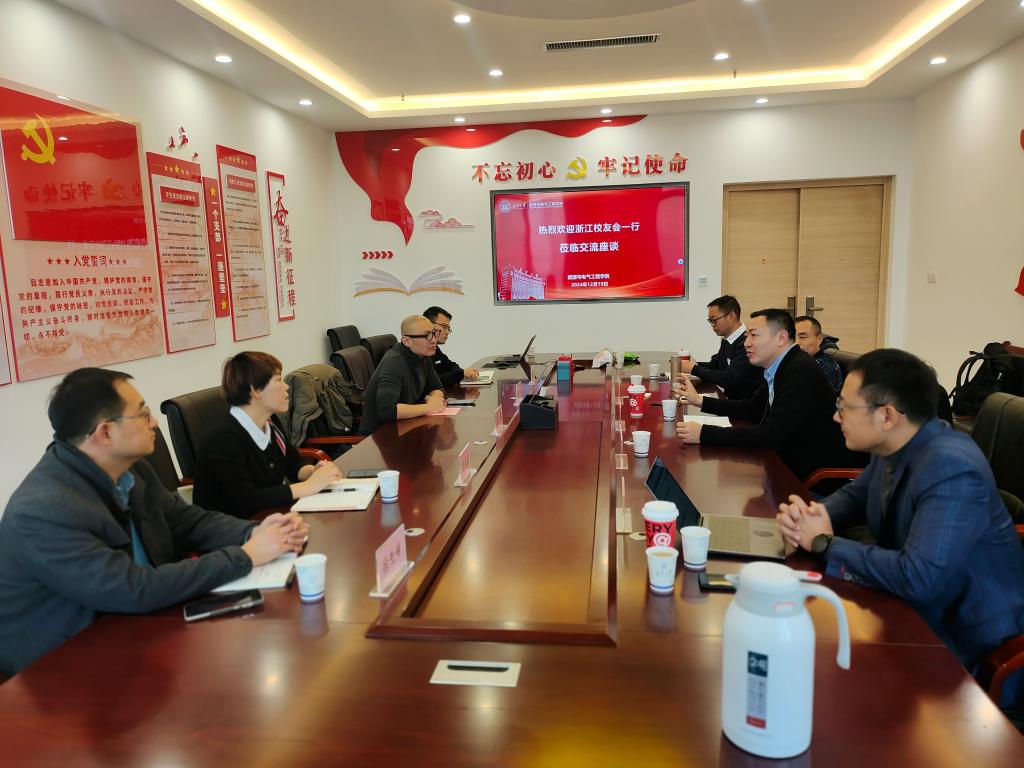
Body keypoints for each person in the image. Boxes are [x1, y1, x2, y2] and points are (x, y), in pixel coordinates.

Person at [0, 368, 308, 678]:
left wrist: (256, 532)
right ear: (105, 433)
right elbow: (132, 588)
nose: (155, 423)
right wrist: (246, 556)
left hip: (144, 627)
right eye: (143, 414)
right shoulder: (43, 510)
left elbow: (187, 522)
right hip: (62, 668)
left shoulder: (130, 468)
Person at [776, 349, 1024, 669]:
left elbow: (917, 577)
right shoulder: (898, 442)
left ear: (887, 416)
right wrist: (810, 517)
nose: (837, 417)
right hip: (912, 610)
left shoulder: (951, 467)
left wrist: (824, 543)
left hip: (966, 644)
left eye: (845, 406)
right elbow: (856, 495)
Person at [675, 309, 864, 481]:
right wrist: (699, 400)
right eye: (747, 336)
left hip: (808, 476)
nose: (747, 343)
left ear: (781, 338)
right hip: (782, 461)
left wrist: (705, 433)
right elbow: (752, 408)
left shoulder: (800, 369)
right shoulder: (780, 366)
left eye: (754, 335)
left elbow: (773, 434)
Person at [193, 352, 342, 518]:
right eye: (278, 380)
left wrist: (313, 472)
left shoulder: (269, 421)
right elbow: (245, 499)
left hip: (268, 517)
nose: (286, 386)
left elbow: (293, 464)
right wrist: (308, 486)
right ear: (255, 390)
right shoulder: (223, 440)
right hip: (229, 526)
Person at [359, 315, 447, 434]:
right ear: (407, 341)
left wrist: (434, 400)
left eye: (434, 333)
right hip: (380, 435)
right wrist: (429, 408)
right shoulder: (394, 361)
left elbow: (437, 387)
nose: (434, 340)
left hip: (405, 426)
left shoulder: (423, 355)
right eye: (427, 336)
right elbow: (387, 410)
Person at [679, 295, 763, 400]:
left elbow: (728, 379)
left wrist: (693, 369)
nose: (712, 324)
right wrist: (694, 364)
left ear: (731, 316)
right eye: (710, 320)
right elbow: (715, 365)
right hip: (729, 399)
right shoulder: (728, 339)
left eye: (714, 320)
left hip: (743, 404)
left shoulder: (746, 343)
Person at [424, 306, 479, 387]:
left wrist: (461, 373)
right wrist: (460, 374)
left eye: (448, 328)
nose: (447, 332)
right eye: (444, 326)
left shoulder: (435, 347)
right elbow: (431, 382)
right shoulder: (420, 350)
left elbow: (451, 366)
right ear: (429, 324)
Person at [794, 315, 843, 393]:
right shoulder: (797, 361)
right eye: (792, 338)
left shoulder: (824, 366)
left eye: (802, 337)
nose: (796, 343)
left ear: (819, 339)